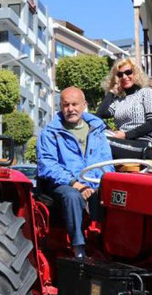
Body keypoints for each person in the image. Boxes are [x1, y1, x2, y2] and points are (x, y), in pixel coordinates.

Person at [37, 87, 113, 258]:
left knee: (114, 195)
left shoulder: (97, 130)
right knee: (72, 196)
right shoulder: (50, 132)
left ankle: (108, 243)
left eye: (74, 104)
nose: (70, 109)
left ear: (84, 105)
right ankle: (78, 248)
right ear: (61, 107)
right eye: (66, 105)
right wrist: (75, 184)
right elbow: (47, 165)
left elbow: (107, 162)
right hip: (61, 184)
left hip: (92, 183)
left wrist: (97, 183)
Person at [97, 57, 152, 159]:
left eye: (128, 72)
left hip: (141, 146)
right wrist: (111, 92)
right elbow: (98, 116)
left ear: (136, 73)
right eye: (120, 74)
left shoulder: (146, 93)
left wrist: (125, 135)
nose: (124, 76)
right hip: (121, 142)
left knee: (102, 142)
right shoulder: (119, 101)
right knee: (94, 135)